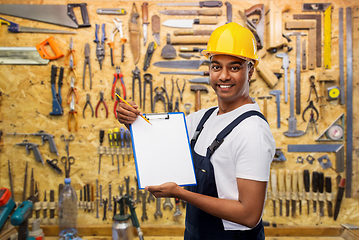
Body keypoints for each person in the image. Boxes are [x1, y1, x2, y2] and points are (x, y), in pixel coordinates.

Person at [116, 22, 276, 240]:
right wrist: (130, 120)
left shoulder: (252, 132)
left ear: (250, 71)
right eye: (216, 66)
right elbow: (159, 139)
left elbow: (249, 215)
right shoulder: (204, 118)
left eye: (235, 67)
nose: (223, 76)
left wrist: (180, 193)